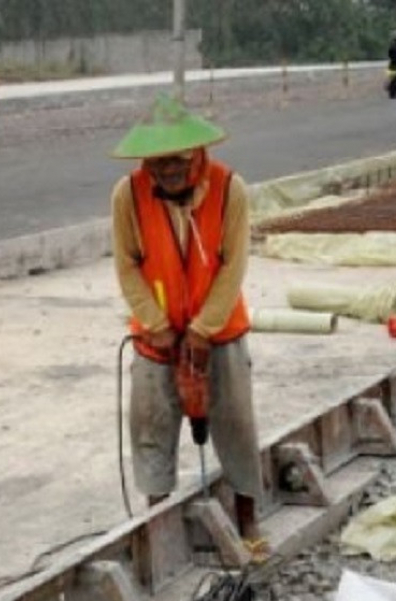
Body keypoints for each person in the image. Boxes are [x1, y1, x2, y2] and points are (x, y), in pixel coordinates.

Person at [109, 94, 267, 556]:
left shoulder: (229, 189)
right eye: (157, 166)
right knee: (151, 427)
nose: (166, 175)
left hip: (220, 332)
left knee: (236, 424)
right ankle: (158, 526)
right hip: (156, 337)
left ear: (196, 155)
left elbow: (233, 265)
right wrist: (156, 324)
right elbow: (127, 266)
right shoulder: (129, 196)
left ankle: (247, 516)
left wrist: (203, 330)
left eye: (175, 165)